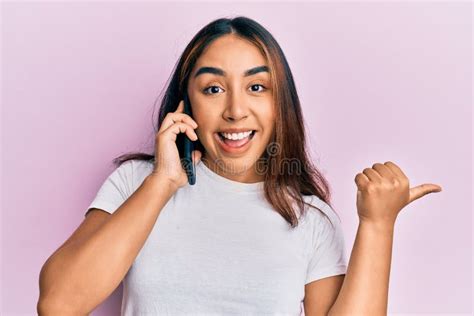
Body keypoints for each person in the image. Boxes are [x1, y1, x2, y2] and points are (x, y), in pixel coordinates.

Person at [38, 15, 442, 316]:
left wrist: (377, 225)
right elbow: (58, 304)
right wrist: (162, 183)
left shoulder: (309, 218)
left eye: (256, 87)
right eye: (213, 89)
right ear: (187, 104)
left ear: (278, 104)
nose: (234, 110)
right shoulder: (136, 183)